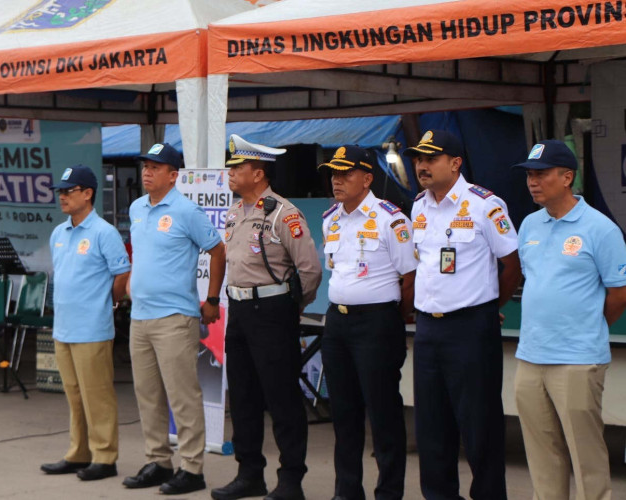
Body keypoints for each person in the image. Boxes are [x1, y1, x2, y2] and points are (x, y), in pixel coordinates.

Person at [405, 130, 521, 500]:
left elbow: (512, 265)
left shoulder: (484, 205)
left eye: (431, 158)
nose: (422, 166)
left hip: (471, 329)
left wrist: (488, 307)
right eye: (418, 159)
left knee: (479, 425)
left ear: (455, 163)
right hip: (427, 330)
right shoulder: (418, 206)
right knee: (432, 426)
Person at [512, 140, 626, 500]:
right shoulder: (529, 224)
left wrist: (588, 328)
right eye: (530, 174)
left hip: (577, 360)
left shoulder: (600, 229)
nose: (533, 181)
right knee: (543, 456)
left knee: (586, 456)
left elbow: (619, 293)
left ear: (567, 177)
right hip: (530, 357)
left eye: (541, 174)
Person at [212, 134, 321, 500]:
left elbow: (310, 271)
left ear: (258, 174)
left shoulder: (283, 213)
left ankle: (291, 479)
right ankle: (249, 473)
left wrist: (293, 306)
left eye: (237, 168)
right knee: (242, 396)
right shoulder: (233, 214)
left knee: (282, 398)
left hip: (273, 312)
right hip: (239, 310)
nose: (230, 174)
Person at [124, 143, 226, 495]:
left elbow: (217, 250)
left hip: (174, 317)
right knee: (147, 394)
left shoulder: (187, 211)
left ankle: (193, 468)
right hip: (140, 316)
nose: (147, 172)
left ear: (173, 175)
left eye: (156, 167)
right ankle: (158, 461)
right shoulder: (137, 208)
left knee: (182, 396)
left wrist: (212, 299)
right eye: (145, 166)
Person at [317, 146, 416, 500]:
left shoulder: (392, 219)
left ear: (368, 178)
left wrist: (391, 317)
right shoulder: (331, 218)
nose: (337, 180)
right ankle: (347, 491)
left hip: (377, 323)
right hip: (338, 323)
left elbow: (410, 278)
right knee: (343, 414)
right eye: (333, 174)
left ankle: (388, 493)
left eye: (345, 174)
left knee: (383, 414)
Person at [39, 165, 131, 481]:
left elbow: (122, 273)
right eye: (60, 191)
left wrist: (112, 300)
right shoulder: (59, 233)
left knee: (97, 395)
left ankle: (105, 458)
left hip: (92, 327)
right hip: (64, 326)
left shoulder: (103, 232)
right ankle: (79, 453)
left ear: (88, 193)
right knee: (75, 395)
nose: (62, 196)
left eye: (69, 190)